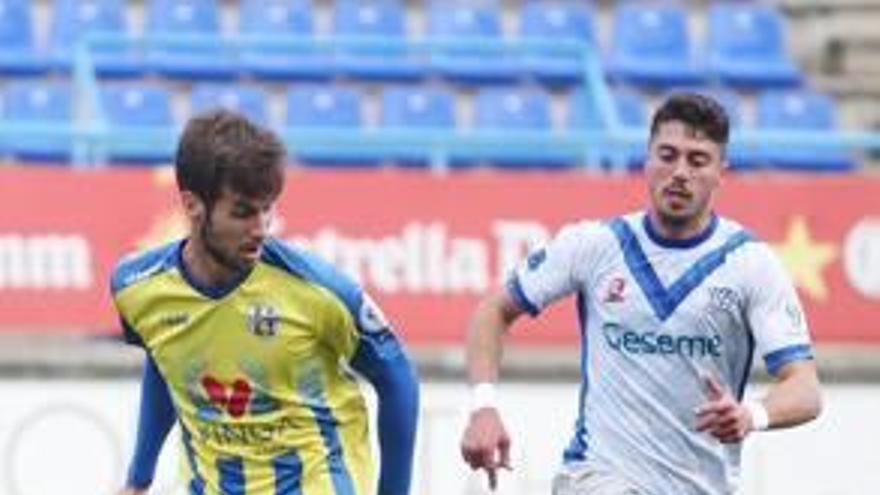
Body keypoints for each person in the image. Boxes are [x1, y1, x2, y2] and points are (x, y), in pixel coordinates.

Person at [460, 93, 823, 494]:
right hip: (598, 476)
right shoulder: (595, 245)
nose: (680, 172)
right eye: (667, 155)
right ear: (647, 161)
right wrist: (483, 406)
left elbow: (805, 388)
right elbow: (493, 311)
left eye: (697, 160)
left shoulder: (750, 264)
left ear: (722, 171)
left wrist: (752, 415)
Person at [111, 110, 419, 495]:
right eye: (242, 212)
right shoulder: (137, 287)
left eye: (267, 209)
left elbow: (397, 375)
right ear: (192, 206)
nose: (260, 229)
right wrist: (138, 479)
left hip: (318, 481)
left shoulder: (317, 290)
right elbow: (165, 356)